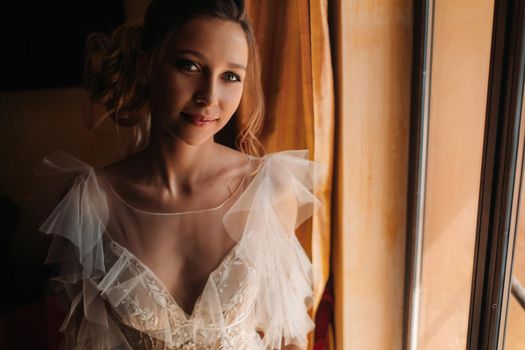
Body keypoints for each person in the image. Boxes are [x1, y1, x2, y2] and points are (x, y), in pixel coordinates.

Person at [35, 0, 323, 349]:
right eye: (190, 66)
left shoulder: (269, 189)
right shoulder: (90, 203)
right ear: (146, 65)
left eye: (230, 76)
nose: (209, 96)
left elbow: (290, 339)